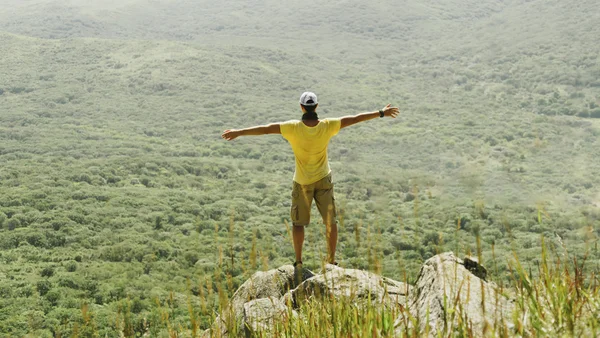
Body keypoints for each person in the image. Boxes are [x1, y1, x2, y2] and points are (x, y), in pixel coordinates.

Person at [221, 92, 399, 269]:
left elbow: (267, 128)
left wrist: (238, 132)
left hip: (302, 182)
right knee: (331, 222)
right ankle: (331, 261)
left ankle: (298, 262)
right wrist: (381, 112)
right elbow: (354, 118)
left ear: (301, 107)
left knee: (298, 223)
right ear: (317, 106)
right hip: (324, 180)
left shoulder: (292, 128)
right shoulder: (328, 126)